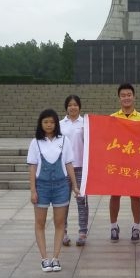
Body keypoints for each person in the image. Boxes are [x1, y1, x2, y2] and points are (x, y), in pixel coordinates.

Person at [27, 109, 79, 272]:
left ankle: (56, 258)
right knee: (40, 223)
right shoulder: (35, 142)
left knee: (60, 223)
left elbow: (69, 164)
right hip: (41, 186)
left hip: (61, 186)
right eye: (45, 122)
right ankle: (44, 258)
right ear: (40, 124)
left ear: (56, 124)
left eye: (52, 122)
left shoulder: (64, 141)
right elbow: (32, 167)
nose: (49, 125)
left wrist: (75, 185)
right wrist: (33, 190)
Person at [109, 83, 140, 242]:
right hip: (117, 164)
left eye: (129, 95)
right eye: (123, 95)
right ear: (119, 98)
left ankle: (136, 227)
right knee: (114, 195)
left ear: (134, 97)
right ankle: (113, 226)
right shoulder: (112, 118)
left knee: (135, 196)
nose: (126, 98)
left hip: (135, 164)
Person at [60, 95, 88, 246]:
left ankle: (82, 232)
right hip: (63, 168)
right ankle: (62, 231)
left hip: (81, 167)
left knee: (82, 202)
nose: (73, 107)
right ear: (66, 107)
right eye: (70, 105)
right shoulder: (60, 124)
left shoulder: (85, 123)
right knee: (63, 202)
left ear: (79, 107)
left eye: (75, 105)